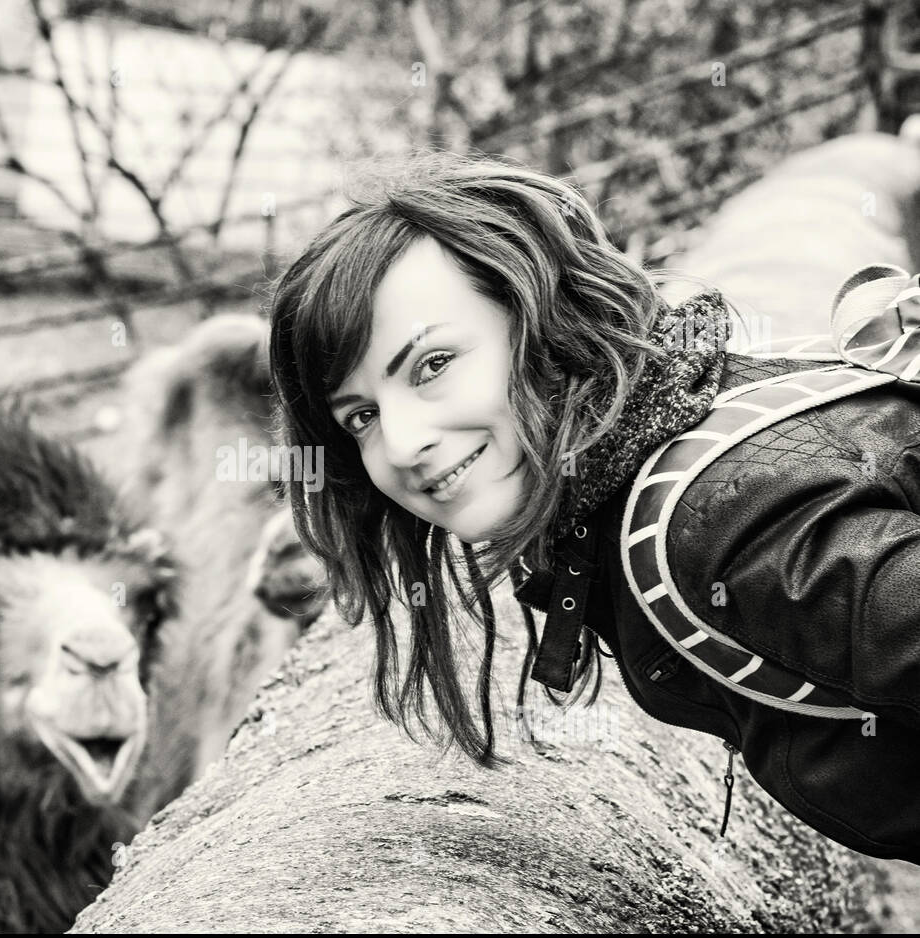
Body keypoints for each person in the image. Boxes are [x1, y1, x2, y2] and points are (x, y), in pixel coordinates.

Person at [266, 149, 920, 865]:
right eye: (361, 416)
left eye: (434, 365)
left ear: (548, 324)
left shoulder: (721, 527)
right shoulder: (681, 436)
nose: (402, 442)